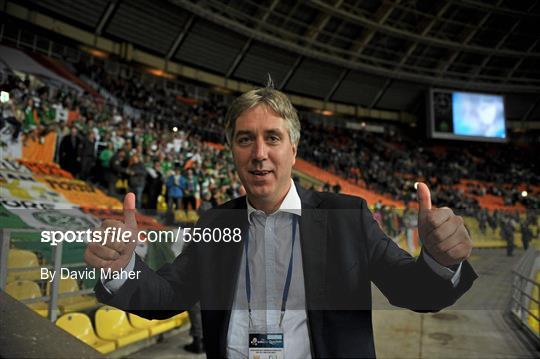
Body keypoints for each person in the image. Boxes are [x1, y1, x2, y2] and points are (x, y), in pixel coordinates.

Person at [85, 86, 477, 358]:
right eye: (245, 140)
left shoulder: (346, 216)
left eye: (272, 138)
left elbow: (412, 290)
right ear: (233, 151)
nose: (259, 154)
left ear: (293, 148)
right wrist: (123, 270)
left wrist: (441, 261)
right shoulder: (215, 222)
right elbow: (168, 293)